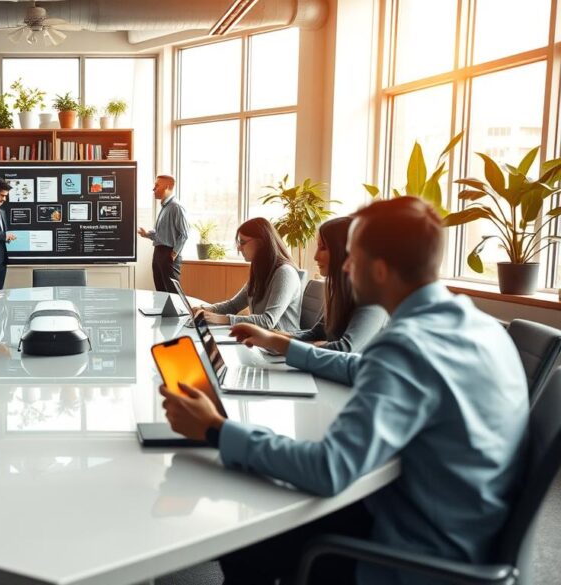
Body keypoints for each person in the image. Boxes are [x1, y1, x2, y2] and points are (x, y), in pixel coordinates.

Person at [161, 197, 528, 585]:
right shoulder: (476, 324)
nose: (346, 267)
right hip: (461, 524)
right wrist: (285, 345)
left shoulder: (409, 347)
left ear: (381, 270)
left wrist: (216, 429)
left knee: (247, 533)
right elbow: (365, 366)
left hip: (416, 555)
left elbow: (327, 470)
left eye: (353, 257)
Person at [230, 216, 387, 353]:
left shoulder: (372, 298)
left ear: (345, 251)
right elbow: (316, 334)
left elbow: (345, 349)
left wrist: (278, 343)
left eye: (322, 248)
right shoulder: (339, 291)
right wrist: (270, 336)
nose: (315, 256)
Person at [194, 217, 301, 331]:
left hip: (282, 343)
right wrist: (206, 309)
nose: (239, 248)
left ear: (261, 242)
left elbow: (268, 321)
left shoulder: (284, 272)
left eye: (243, 242)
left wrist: (221, 319)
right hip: (262, 339)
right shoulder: (260, 271)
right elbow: (234, 305)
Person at [138, 175, 189, 294]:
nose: (153, 189)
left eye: (157, 185)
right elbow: (161, 233)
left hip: (168, 253)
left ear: (167, 187)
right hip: (159, 252)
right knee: (161, 292)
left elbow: (184, 233)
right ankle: (164, 313)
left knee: (173, 292)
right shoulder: (165, 207)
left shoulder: (176, 207)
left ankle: (179, 313)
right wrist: (147, 234)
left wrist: (174, 253)